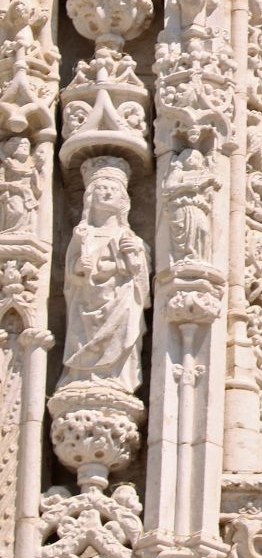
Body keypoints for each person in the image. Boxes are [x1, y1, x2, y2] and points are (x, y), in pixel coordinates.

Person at [61, 157, 150, 394]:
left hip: (120, 300)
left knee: (124, 328)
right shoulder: (82, 234)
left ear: (123, 198)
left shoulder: (129, 237)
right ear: (90, 195)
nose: (108, 193)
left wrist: (134, 257)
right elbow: (70, 275)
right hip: (85, 300)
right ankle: (82, 376)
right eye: (102, 188)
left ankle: (116, 378)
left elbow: (141, 281)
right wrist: (79, 266)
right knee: (81, 335)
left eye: (113, 189)